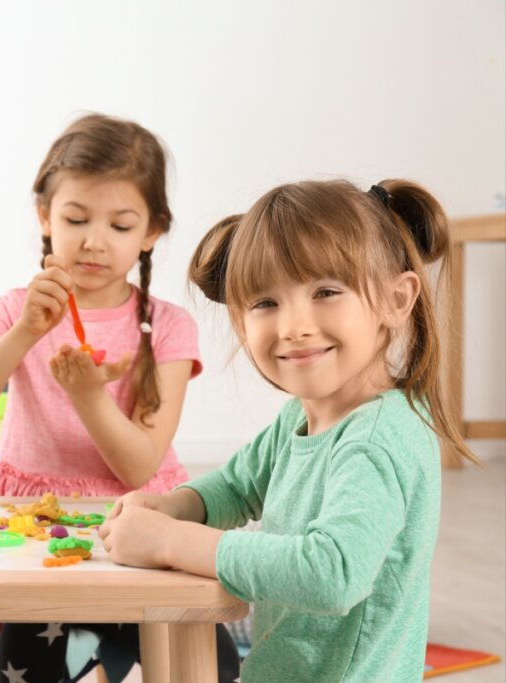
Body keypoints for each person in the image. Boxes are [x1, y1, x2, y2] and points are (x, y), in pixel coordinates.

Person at [99, 178, 479, 682]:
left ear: (396, 299)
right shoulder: (300, 418)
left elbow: (332, 573)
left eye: (326, 292)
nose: (294, 326)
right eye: (265, 303)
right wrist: (173, 506)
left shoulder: (376, 438)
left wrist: (171, 541)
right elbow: (237, 485)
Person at [0, 113, 238, 683]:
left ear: (152, 232)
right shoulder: (13, 310)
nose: (94, 241)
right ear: (45, 216)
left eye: (120, 225)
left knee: (212, 663)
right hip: (31, 526)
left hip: (137, 522)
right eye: (76, 218)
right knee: (30, 663)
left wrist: (88, 396)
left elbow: (139, 466)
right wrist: (25, 332)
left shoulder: (168, 327)